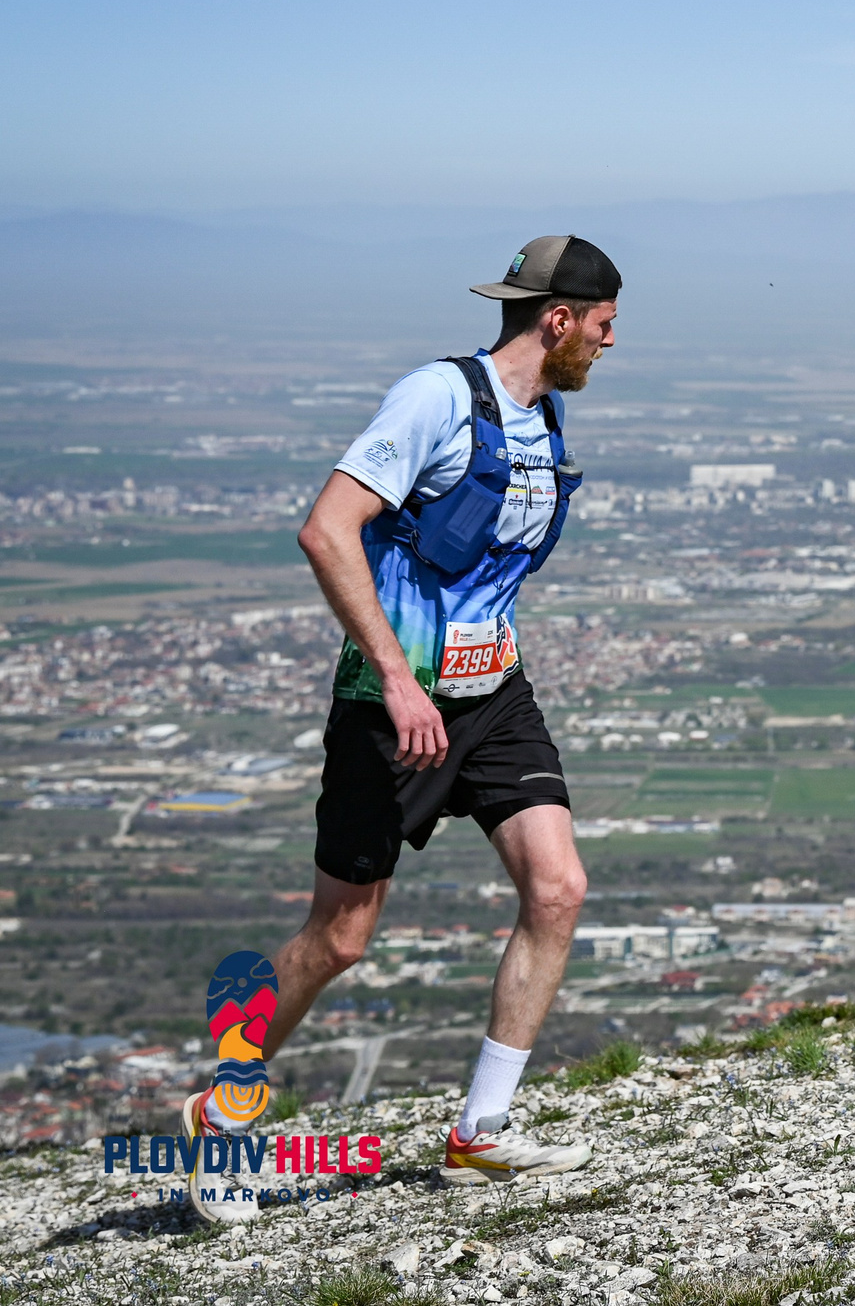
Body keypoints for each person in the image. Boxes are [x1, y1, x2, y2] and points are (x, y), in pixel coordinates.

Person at [178, 235, 622, 1214]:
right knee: (339, 938)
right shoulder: (436, 398)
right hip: (392, 708)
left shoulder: (543, 414)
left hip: (494, 696)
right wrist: (397, 673)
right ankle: (224, 1114)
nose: (608, 343)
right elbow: (326, 526)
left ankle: (480, 1133)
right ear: (558, 321)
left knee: (558, 887)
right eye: (602, 325)